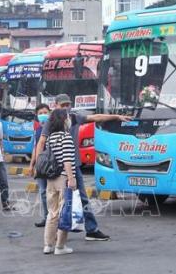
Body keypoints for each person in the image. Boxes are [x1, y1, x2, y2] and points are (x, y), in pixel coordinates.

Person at [36, 93, 131, 241]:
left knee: (83, 199)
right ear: (56, 106)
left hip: (74, 167)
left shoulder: (74, 117)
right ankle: (54, 236)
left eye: (68, 104)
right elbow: (41, 142)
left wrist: (116, 117)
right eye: (63, 105)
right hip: (57, 170)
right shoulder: (51, 121)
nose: (66, 108)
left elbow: (96, 117)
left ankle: (91, 229)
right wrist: (39, 165)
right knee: (58, 204)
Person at [43, 108, 77, 255]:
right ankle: (60, 247)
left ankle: (48, 245)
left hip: (51, 179)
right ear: (64, 120)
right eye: (67, 117)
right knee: (65, 212)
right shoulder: (66, 137)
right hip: (64, 178)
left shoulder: (50, 138)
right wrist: (71, 178)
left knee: (52, 213)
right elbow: (67, 161)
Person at [29, 103, 51, 227]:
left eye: (45, 112)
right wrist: (32, 165)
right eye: (40, 113)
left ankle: (55, 218)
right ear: (37, 116)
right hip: (41, 166)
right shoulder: (37, 130)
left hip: (53, 167)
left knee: (54, 193)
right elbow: (35, 148)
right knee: (43, 192)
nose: (43, 115)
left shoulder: (54, 128)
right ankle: (46, 217)